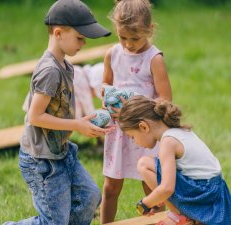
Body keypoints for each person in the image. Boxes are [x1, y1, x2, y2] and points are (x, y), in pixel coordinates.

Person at [3, 0, 113, 225]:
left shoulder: (65, 65)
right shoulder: (50, 71)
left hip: (61, 153)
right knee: (53, 222)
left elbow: (57, 110)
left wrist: (82, 120)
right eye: (80, 38)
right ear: (58, 33)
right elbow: (35, 116)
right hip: (41, 161)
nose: (83, 44)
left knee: (89, 198)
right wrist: (76, 125)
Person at [100, 0, 172, 223]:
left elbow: (166, 99)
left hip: (145, 131)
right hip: (119, 131)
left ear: (150, 30)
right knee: (111, 186)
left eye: (135, 38)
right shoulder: (112, 54)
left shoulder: (154, 59)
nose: (129, 45)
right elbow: (106, 86)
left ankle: (156, 220)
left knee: (150, 185)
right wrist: (108, 102)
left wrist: (139, 105)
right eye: (123, 37)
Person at [118, 95, 231, 225]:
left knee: (144, 165)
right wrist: (157, 197)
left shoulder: (168, 143)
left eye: (132, 136)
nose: (135, 142)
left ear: (143, 127)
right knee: (152, 166)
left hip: (204, 195)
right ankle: (181, 213)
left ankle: (178, 214)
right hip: (216, 193)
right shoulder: (178, 132)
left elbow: (167, 188)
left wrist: (144, 203)